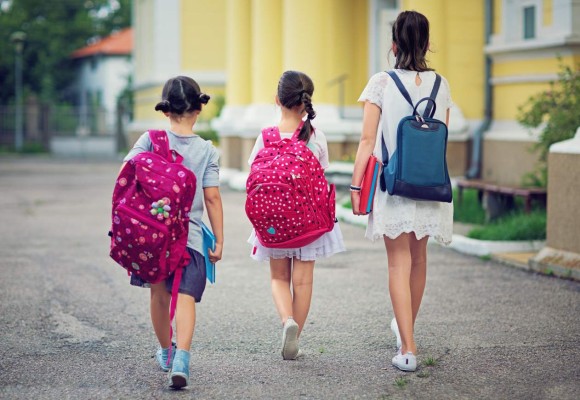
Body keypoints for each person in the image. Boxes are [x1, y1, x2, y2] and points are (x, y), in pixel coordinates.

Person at [350, 11, 453, 372]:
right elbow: (442, 138)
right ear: (425, 43)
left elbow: (367, 140)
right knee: (419, 258)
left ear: (393, 44)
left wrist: (355, 183)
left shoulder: (382, 82)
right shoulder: (442, 85)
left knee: (398, 261)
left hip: (393, 185)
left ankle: (408, 348)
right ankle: (405, 329)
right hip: (430, 183)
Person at [121, 76, 224, 388]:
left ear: (165, 111)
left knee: (159, 294)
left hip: (152, 237)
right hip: (189, 239)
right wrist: (219, 239)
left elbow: (126, 174)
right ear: (199, 109)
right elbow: (212, 197)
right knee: (186, 297)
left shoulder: (149, 140)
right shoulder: (207, 151)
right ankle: (183, 359)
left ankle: (166, 351)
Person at [247, 70, 345, 360]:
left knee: (278, 278)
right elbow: (321, 174)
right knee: (303, 282)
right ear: (306, 103)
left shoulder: (265, 137)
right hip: (308, 222)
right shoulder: (316, 136)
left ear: (276, 100)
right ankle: (296, 338)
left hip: (274, 221)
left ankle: (286, 320)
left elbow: (254, 173)